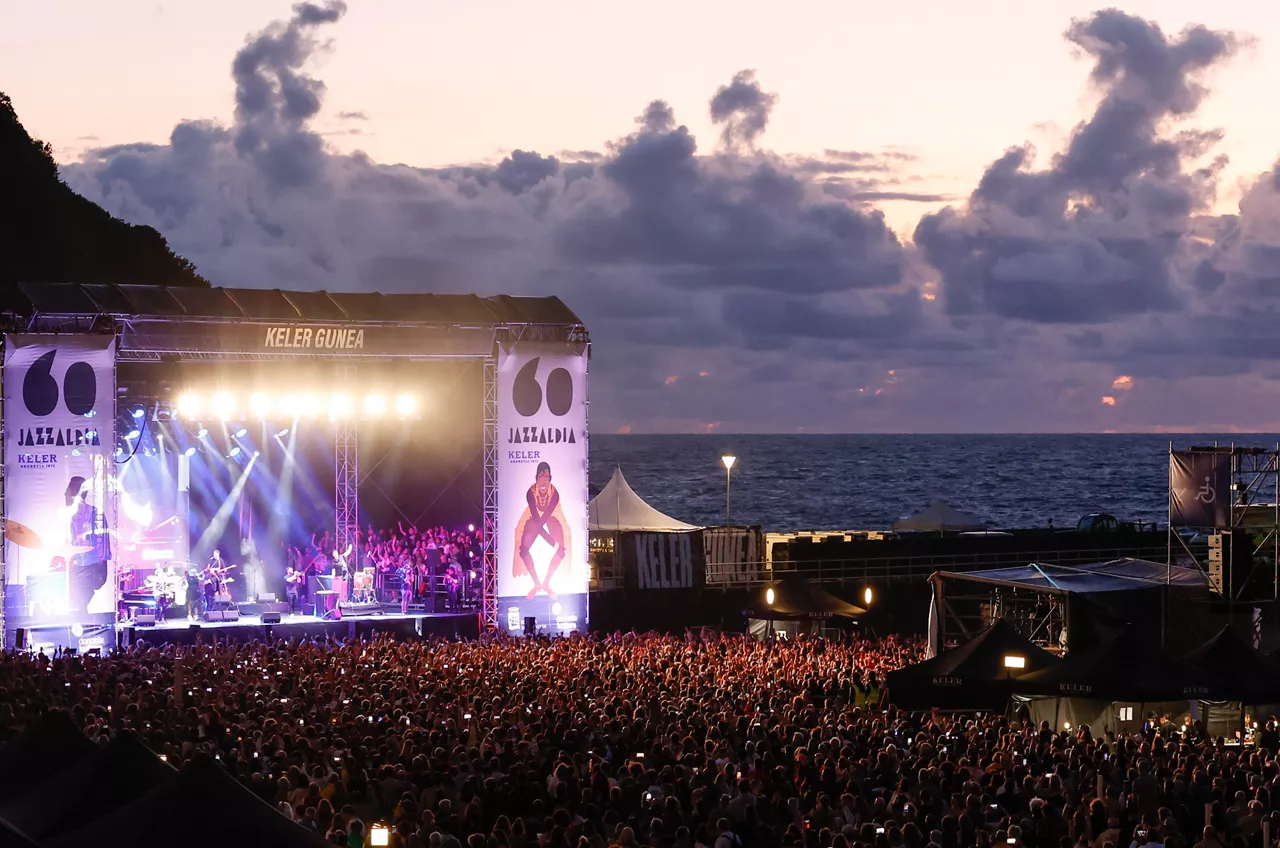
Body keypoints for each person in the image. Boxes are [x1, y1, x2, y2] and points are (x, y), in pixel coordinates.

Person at [512, 461, 571, 601]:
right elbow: (537, 520)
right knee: (523, 549)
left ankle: (546, 583)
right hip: (534, 517)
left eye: (546, 477)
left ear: (550, 479)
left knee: (561, 550)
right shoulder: (530, 493)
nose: (543, 481)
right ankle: (537, 583)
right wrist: (550, 541)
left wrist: (555, 543)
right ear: (536, 478)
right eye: (540, 477)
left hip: (551, 517)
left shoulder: (555, 494)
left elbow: (545, 518)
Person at [65, 476, 111, 616]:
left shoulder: (94, 513)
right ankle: (80, 632)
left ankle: (83, 633)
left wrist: (101, 569)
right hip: (74, 565)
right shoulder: (70, 515)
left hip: (88, 566)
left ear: (76, 494)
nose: (65, 495)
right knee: (75, 606)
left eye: (68, 491)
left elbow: (103, 541)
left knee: (79, 605)